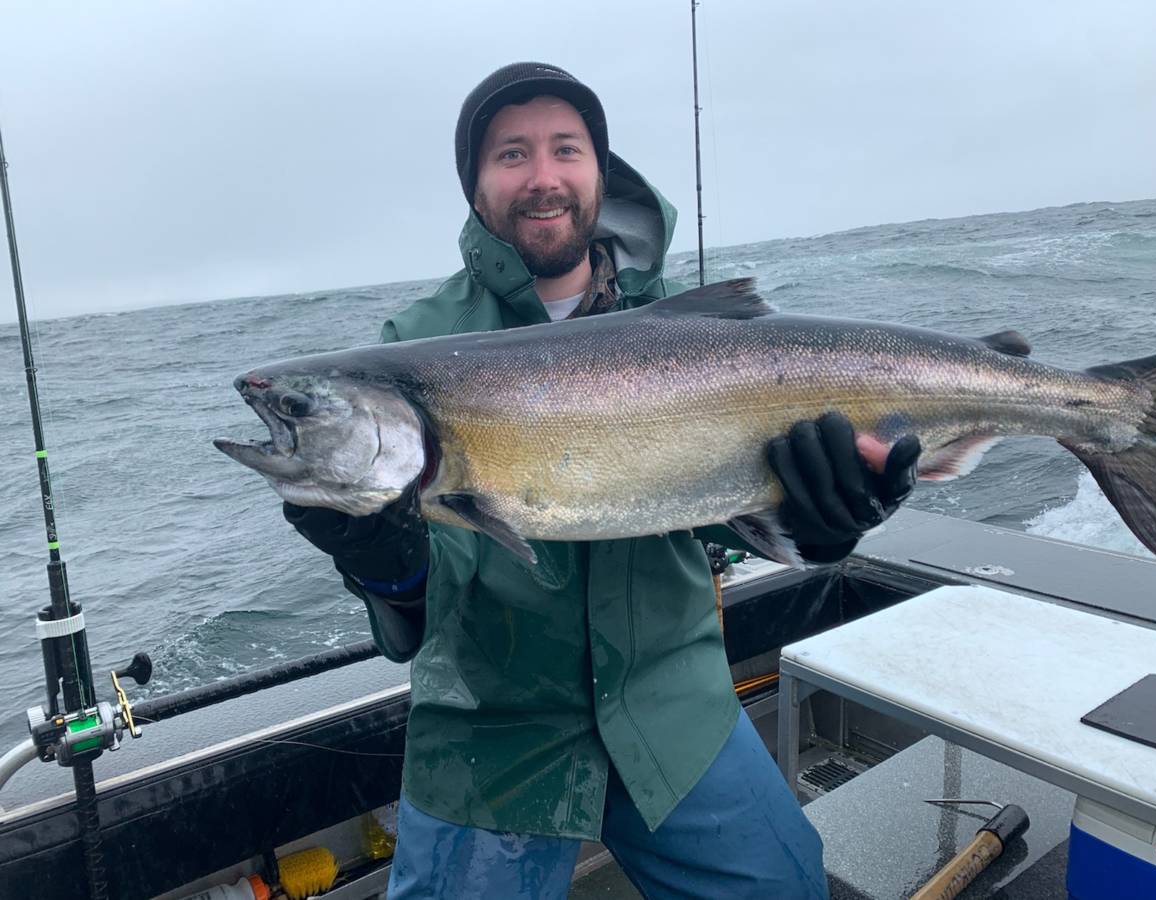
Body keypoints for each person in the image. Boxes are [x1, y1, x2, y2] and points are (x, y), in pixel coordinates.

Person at [284, 62, 920, 899]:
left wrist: (821, 521)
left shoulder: (685, 323)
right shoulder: (414, 348)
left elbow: (718, 513)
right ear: (476, 188)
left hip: (673, 702)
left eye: (565, 149)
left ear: (598, 170)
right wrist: (385, 562)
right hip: (493, 731)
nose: (542, 177)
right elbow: (423, 608)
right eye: (511, 154)